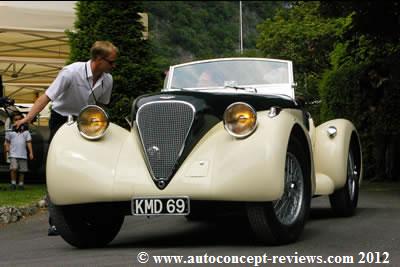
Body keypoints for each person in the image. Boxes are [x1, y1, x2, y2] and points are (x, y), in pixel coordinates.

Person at [15, 40, 118, 236]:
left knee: (89, 167)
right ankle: (56, 220)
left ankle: (87, 214)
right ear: (98, 59)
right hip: (62, 119)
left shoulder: (107, 79)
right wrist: (28, 117)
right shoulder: (71, 73)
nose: (113, 66)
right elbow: (46, 97)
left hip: (86, 123)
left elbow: (102, 107)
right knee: (57, 169)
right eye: (111, 62)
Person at [367, 64, 400, 182]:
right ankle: (392, 174)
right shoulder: (394, 86)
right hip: (393, 122)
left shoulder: (381, 88)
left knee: (381, 148)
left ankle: (381, 174)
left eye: (373, 74)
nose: (371, 76)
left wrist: (375, 109)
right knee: (392, 149)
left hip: (383, 122)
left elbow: (375, 106)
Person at [4, 113, 34, 191]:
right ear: (13, 121)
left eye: (19, 119)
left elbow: (29, 142)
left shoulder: (26, 132)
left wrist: (31, 152)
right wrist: (7, 148)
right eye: (15, 119)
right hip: (13, 154)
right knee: (13, 168)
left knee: (22, 170)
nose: (17, 121)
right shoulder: (10, 131)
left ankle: (21, 184)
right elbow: (7, 141)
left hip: (23, 154)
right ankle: (13, 183)